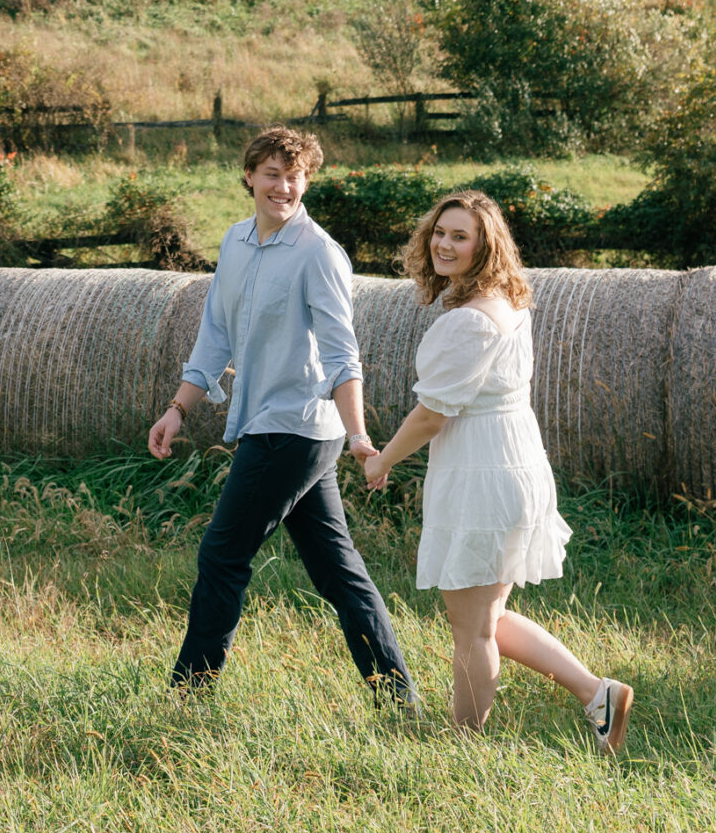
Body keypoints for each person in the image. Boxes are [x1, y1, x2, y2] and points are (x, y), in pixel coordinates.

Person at [147, 125, 420, 712]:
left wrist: (359, 435)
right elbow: (216, 334)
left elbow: (342, 352)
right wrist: (178, 408)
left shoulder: (317, 252)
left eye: (295, 175)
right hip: (279, 427)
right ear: (249, 176)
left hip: (294, 427)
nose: (284, 186)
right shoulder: (236, 242)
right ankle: (399, 699)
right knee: (339, 575)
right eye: (273, 173)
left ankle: (188, 697)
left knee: (222, 555)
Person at [363, 188, 633, 752]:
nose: (444, 243)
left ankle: (461, 748)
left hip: (481, 471)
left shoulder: (471, 322)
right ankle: (596, 693)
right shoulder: (506, 304)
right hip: (508, 461)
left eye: (460, 236)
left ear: (485, 248)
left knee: (472, 627)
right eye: (440, 232)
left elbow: (433, 413)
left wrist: (383, 459)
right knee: (487, 615)